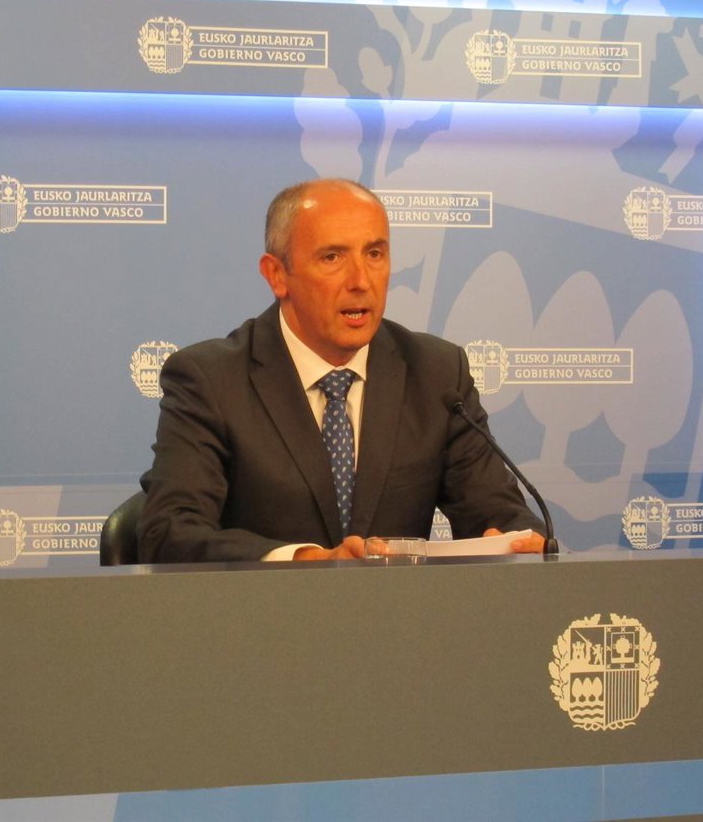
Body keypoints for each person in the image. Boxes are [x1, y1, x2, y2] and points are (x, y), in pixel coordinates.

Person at [137, 178, 546, 562]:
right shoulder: (211, 379)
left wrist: (519, 540)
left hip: (402, 612)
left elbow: (500, 513)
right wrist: (305, 560)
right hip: (263, 611)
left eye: (375, 254)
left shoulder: (437, 374)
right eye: (332, 257)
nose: (361, 281)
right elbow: (169, 532)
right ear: (277, 275)